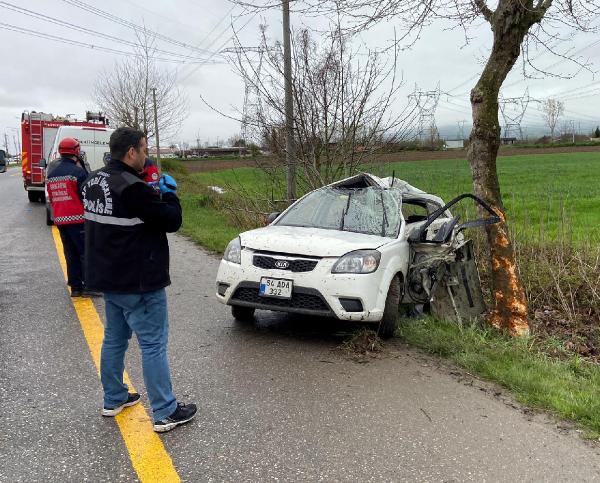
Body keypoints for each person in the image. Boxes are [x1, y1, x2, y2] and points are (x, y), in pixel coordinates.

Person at [82, 126, 196, 433]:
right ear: (131, 151)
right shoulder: (132, 187)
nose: (146, 155)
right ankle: (165, 411)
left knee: (115, 339)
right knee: (153, 344)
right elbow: (171, 221)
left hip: (108, 278)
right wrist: (169, 194)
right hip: (139, 280)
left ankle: (114, 397)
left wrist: (149, 190)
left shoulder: (94, 179)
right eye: (144, 150)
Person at [46, 137, 95, 297]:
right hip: (78, 220)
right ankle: (88, 286)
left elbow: (52, 198)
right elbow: (86, 196)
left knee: (70, 253)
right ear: (76, 151)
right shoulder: (78, 172)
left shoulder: (52, 173)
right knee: (84, 252)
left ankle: (75, 287)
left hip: (60, 220)